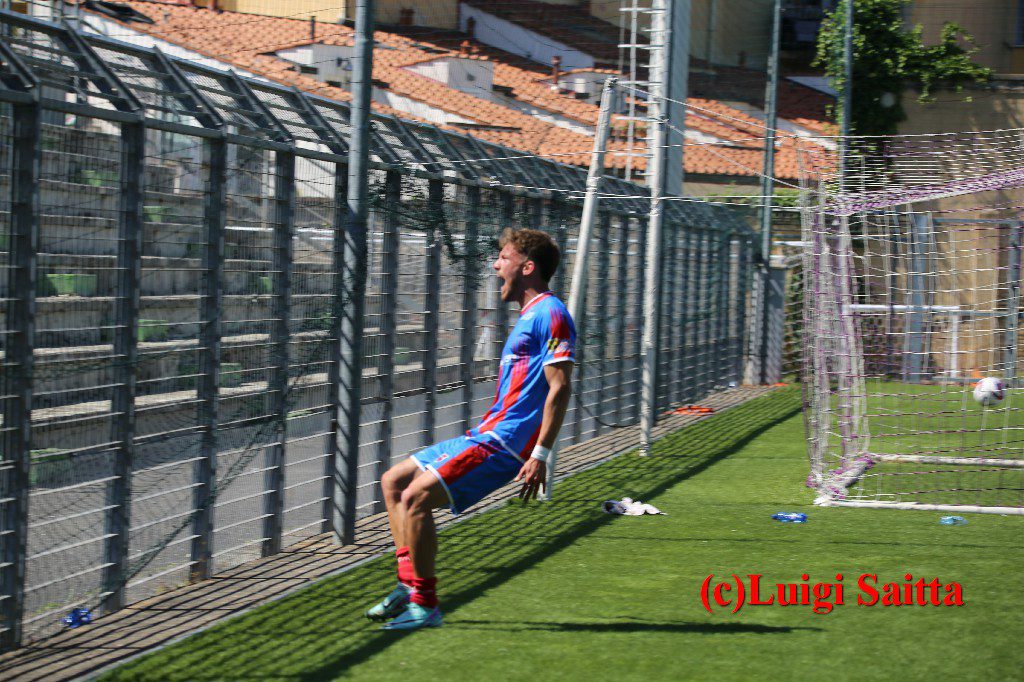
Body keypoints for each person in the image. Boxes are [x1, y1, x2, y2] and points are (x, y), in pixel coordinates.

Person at [366, 228, 576, 630]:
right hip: (487, 432)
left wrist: (540, 454)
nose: (496, 266)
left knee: (415, 497)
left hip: (505, 444)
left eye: (504, 258)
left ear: (527, 267)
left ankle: (425, 605)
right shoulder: (531, 315)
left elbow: (560, 387)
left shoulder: (551, 314)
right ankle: (407, 586)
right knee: (394, 482)